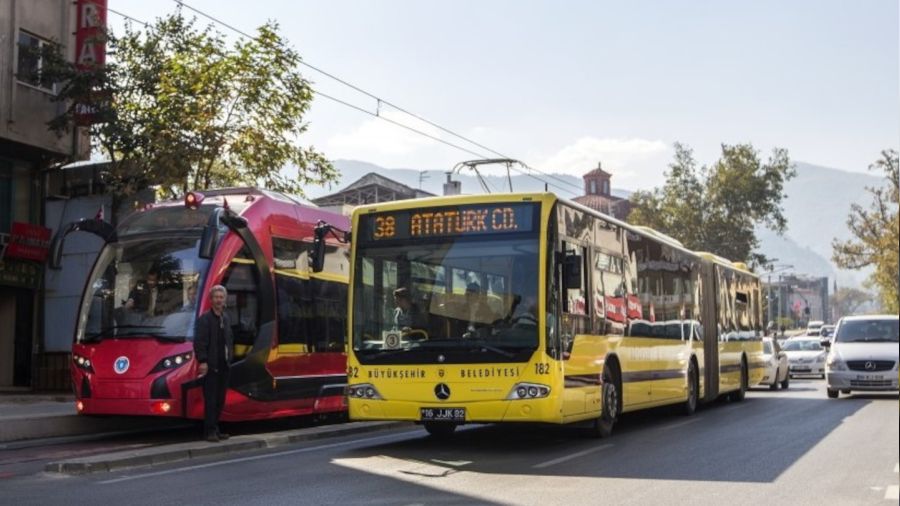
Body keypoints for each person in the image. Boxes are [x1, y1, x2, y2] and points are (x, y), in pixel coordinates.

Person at [193, 284, 234, 442]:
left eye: (221, 297)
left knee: (220, 400)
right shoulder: (205, 319)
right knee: (210, 400)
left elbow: (229, 339)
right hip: (211, 365)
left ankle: (216, 429)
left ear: (225, 300)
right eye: (216, 297)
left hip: (224, 365)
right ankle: (209, 431)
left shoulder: (226, 318)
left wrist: (230, 358)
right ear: (211, 300)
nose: (219, 300)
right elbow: (200, 342)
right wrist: (203, 361)